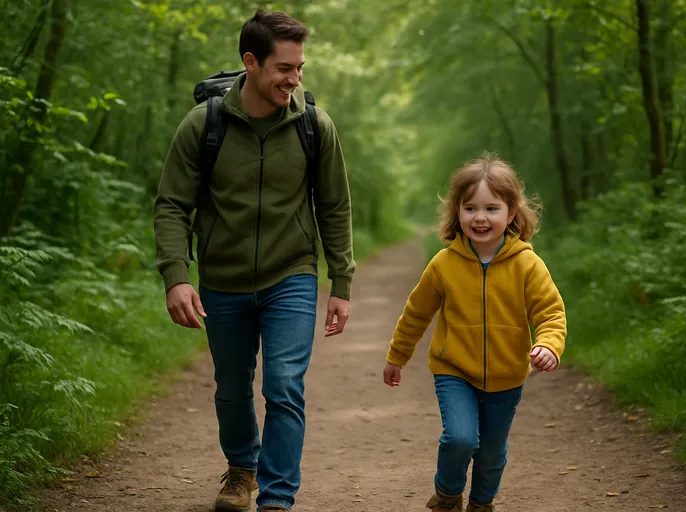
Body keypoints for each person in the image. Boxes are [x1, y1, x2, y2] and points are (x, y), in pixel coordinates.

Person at [153, 9, 354, 512]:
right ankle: (242, 469)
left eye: (300, 67)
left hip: (292, 274)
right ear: (251, 62)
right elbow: (172, 204)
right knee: (231, 387)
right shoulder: (204, 125)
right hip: (223, 279)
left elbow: (334, 206)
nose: (295, 79)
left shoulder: (314, 126)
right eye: (284, 68)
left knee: (284, 386)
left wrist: (341, 283)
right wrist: (176, 277)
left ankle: (277, 499)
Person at [382, 152, 566, 512]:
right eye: (470, 208)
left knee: (492, 451)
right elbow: (416, 314)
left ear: (511, 214)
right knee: (460, 438)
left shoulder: (527, 264)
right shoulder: (443, 264)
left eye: (491, 208)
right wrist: (396, 357)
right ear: (457, 213)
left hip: (508, 375)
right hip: (454, 370)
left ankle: (481, 504)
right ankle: (447, 495)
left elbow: (550, 312)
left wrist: (549, 344)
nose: (480, 217)